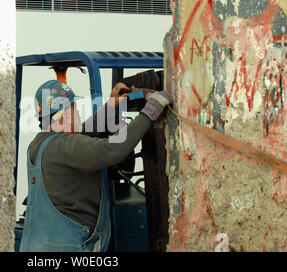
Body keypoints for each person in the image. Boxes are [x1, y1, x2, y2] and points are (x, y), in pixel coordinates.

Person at [19, 80, 172, 252]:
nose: (77, 112)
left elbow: (81, 138)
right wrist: (148, 113)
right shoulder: (66, 146)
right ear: (63, 113)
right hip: (72, 248)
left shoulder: (40, 144)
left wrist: (110, 107)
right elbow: (113, 149)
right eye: (74, 108)